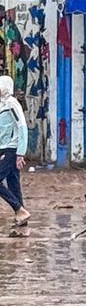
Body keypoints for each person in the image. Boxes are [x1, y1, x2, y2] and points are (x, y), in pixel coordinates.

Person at [0, 76, 30, 236]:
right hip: (3, 149)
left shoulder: (12, 104)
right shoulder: (2, 105)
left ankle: (18, 209)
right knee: (13, 183)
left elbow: (22, 127)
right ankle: (23, 221)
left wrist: (20, 153)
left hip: (11, 149)